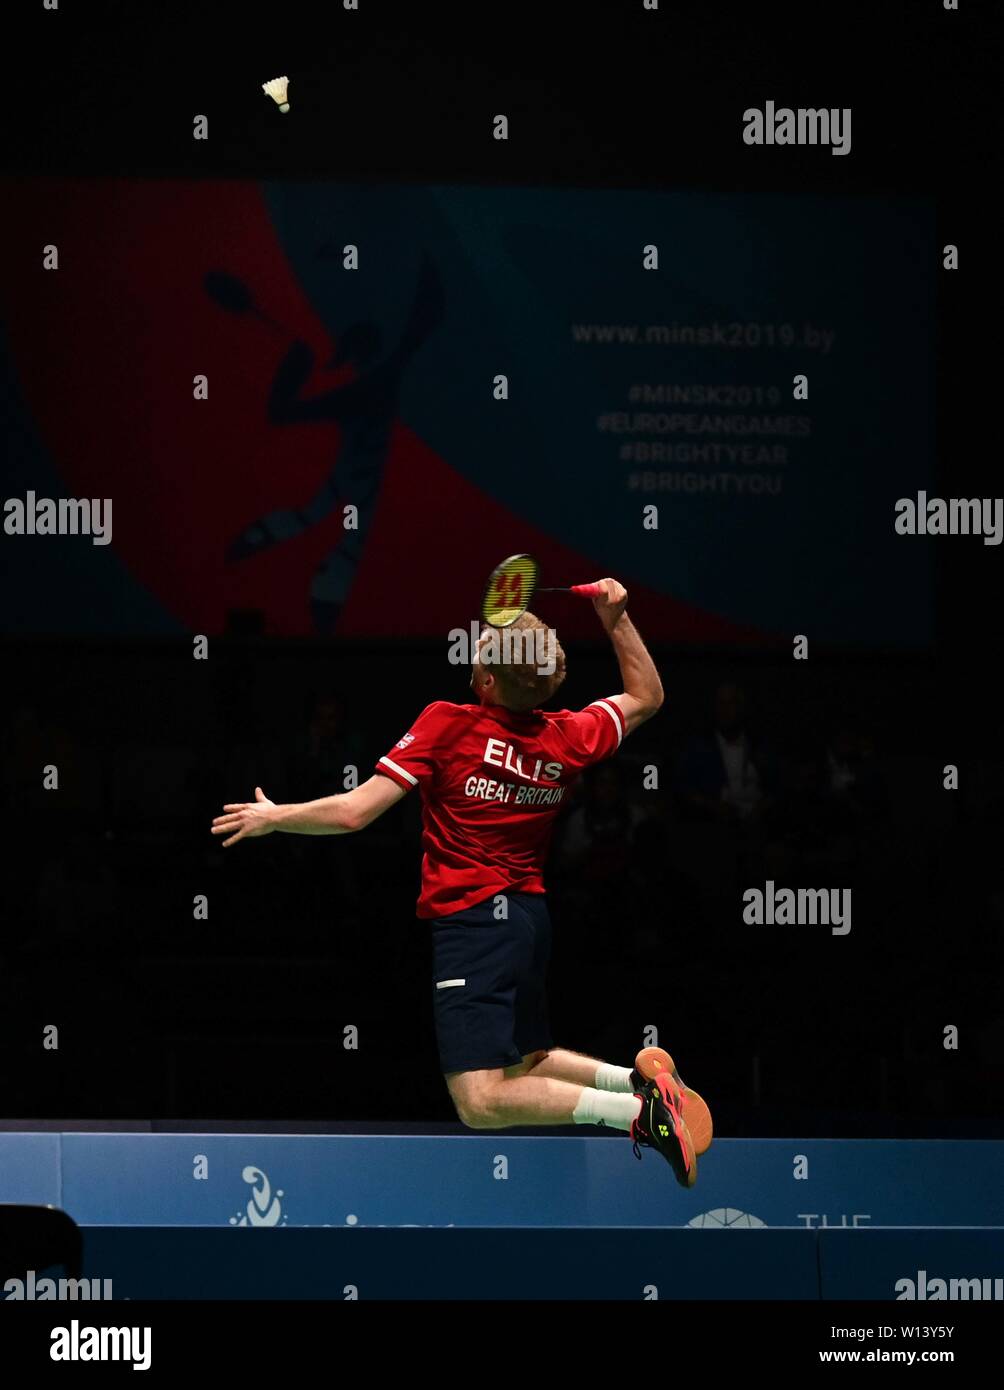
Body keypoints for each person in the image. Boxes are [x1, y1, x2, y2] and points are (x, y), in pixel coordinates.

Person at [212, 579, 711, 1186]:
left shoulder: (446, 724)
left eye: (481, 657)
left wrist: (274, 818)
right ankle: (640, 1083)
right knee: (531, 1060)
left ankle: (639, 1116)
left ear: (487, 683)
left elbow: (354, 812)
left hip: (474, 923)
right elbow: (648, 695)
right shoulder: (568, 736)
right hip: (528, 921)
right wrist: (616, 617)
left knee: (479, 1101)